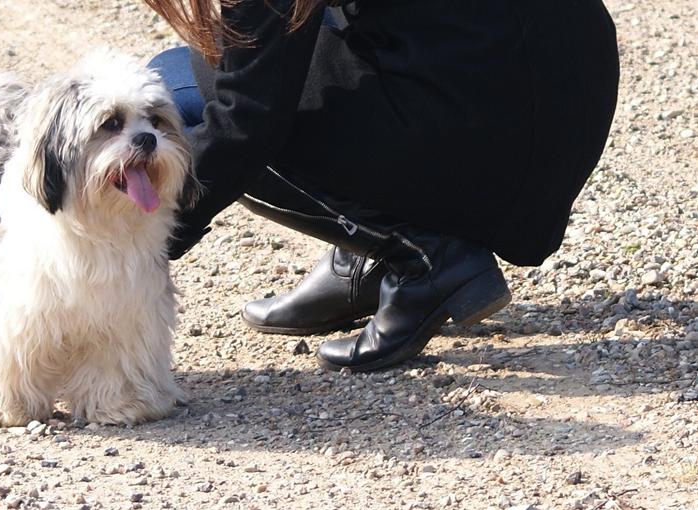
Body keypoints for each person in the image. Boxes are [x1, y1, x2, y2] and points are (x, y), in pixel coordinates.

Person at [142, 0, 619, 372]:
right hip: (571, 88)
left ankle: (425, 256)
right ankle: (359, 257)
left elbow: (246, 120)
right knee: (269, 55)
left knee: (177, 97)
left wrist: (139, 244)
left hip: (492, 118)